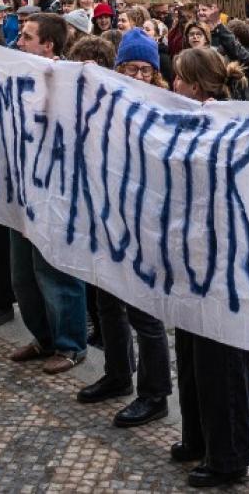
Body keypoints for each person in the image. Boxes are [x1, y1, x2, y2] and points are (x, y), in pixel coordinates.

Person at [168, 46, 249, 487]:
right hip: (191, 253)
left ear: (197, 85)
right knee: (192, 354)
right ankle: (198, 436)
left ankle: (229, 454)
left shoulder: (229, 124)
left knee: (221, 358)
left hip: (224, 259)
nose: (172, 84)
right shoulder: (185, 117)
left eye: (179, 78)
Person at [76, 29, 173, 428]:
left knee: (144, 311)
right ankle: (118, 373)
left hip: (145, 222)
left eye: (145, 70)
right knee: (107, 301)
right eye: (131, 68)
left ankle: (155, 393)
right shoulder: (104, 99)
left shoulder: (165, 107)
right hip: (107, 213)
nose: (138, 76)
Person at [7, 13, 88, 374]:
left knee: (56, 273)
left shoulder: (70, 81)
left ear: (48, 45)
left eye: (27, 37)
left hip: (56, 194)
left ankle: (70, 345)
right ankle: (43, 337)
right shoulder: (19, 72)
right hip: (22, 190)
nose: (19, 42)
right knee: (23, 275)